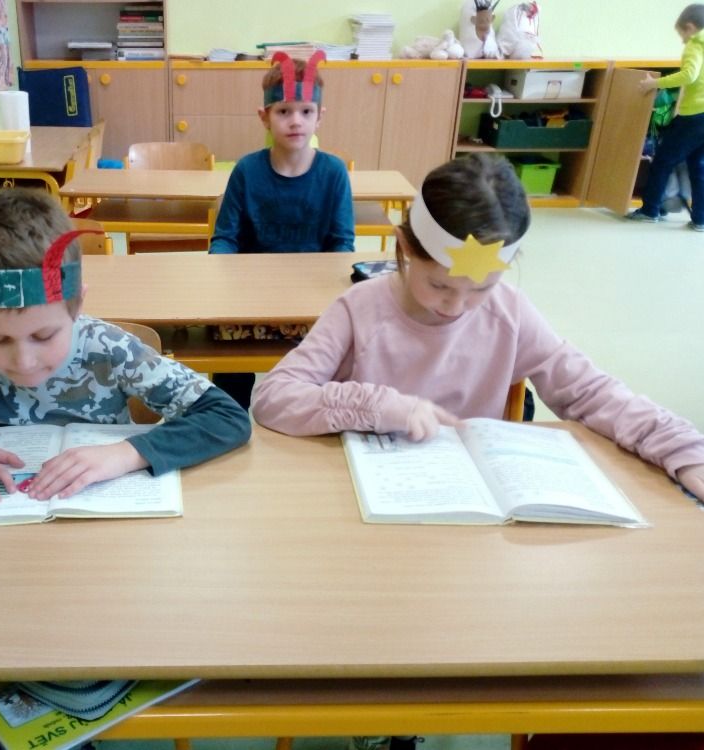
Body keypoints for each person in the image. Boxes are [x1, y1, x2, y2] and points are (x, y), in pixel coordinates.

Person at [252, 153, 704, 504]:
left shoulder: (510, 313)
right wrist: (378, 405)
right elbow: (274, 399)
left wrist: (683, 450)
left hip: (470, 508)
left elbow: (592, 393)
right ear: (403, 247)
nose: (457, 306)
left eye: (482, 288)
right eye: (439, 285)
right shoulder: (360, 309)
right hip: (363, 497)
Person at [0, 189, 251, 505]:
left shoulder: (110, 348)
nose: (24, 360)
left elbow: (226, 416)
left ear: (77, 305)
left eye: (44, 336)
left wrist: (127, 454)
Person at [208, 50, 355, 409]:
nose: (295, 121)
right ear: (265, 117)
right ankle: (230, 416)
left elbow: (342, 244)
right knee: (226, 362)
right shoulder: (247, 170)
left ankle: (310, 417)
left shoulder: (334, 173)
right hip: (249, 298)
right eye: (284, 111)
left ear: (320, 117)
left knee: (326, 369)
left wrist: (329, 298)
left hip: (309, 299)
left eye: (306, 112)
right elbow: (225, 237)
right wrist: (217, 279)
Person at [627, 4, 704, 231]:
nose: (682, 40)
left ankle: (650, 210)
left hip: (693, 116)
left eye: (682, 35)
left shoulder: (694, 45)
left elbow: (689, 75)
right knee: (698, 166)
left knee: (662, 161)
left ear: (690, 27)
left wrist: (655, 83)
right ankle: (700, 219)